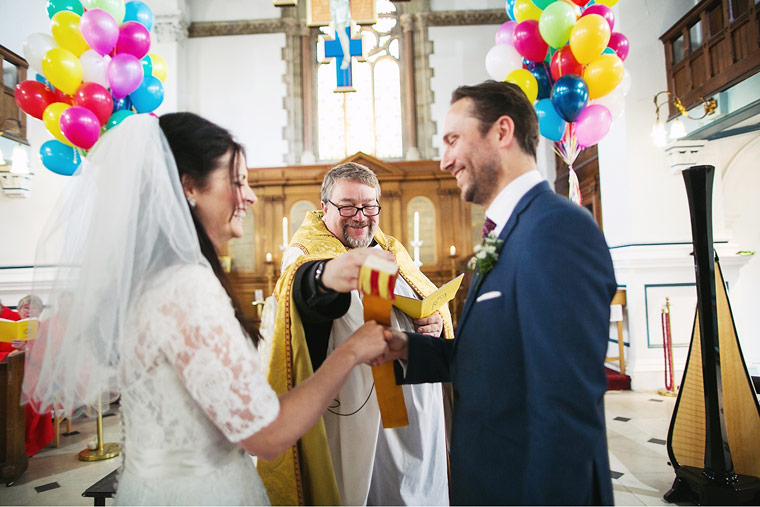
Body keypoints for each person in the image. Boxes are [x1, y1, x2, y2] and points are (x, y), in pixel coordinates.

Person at [23, 113, 391, 505]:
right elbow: (268, 437)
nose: (250, 196)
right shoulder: (185, 288)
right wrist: (352, 351)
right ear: (189, 187)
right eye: (238, 181)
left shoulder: (150, 279)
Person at [381, 80, 617, 505]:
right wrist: (405, 347)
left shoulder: (556, 230)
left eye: (453, 140)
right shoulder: (509, 231)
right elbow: (496, 359)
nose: (444, 160)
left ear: (502, 132)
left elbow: (565, 406)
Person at [259, 162, 452, 506]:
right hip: (355, 405)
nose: (360, 217)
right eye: (347, 206)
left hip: (412, 405)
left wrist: (434, 321)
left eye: (369, 206)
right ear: (324, 208)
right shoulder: (306, 254)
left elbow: (426, 300)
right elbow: (305, 292)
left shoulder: (390, 248)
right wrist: (326, 277)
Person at [330, 0, 352, 70]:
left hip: (341, 4)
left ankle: (347, 57)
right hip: (334, 4)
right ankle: (346, 56)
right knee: (339, 31)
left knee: (341, 31)